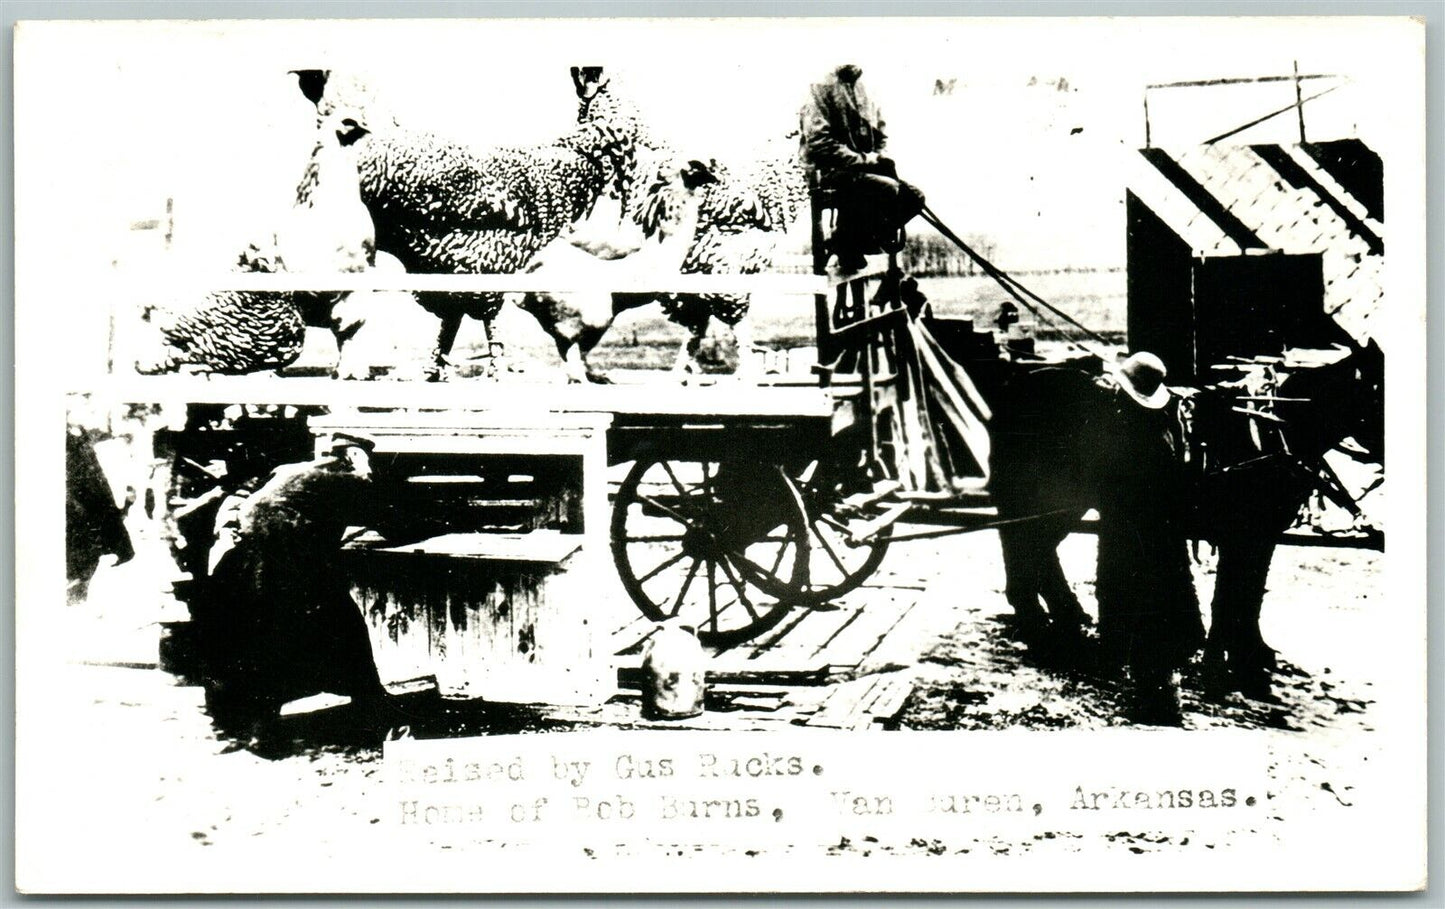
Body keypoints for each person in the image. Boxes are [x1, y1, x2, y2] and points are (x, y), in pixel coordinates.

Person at [196, 432, 393, 738]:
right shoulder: (347, 477)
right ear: (353, 456)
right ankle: (371, 708)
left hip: (245, 561)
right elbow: (388, 517)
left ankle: (242, 720)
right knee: (342, 624)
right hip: (287, 563)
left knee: (256, 636)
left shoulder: (290, 470)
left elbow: (242, 499)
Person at [1093, 352, 1205, 724]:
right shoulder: (1165, 426)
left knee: (1135, 606)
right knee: (1162, 611)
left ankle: (1155, 703)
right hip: (1162, 538)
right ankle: (1161, 694)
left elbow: (1109, 483)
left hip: (1131, 537)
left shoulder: (1126, 430)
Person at [800, 64, 926, 273]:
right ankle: (849, 242)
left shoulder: (865, 90)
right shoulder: (819, 87)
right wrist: (868, 160)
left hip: (862, 171)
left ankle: (852, 241)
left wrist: (881, 157)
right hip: (827, 171)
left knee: (914, 197)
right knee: (887, 189)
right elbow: (820, 143)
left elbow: (881, 135)